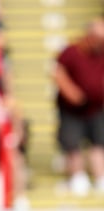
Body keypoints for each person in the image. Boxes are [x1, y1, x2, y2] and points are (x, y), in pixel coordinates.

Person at [52, 16, 104, 195]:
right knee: (72, 144)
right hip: (72, 110)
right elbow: (58, 73)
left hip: (97, 107)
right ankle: (77, 177)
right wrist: (72, 92)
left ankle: (100, 178)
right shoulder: (71, 52)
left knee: (99, 143)